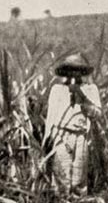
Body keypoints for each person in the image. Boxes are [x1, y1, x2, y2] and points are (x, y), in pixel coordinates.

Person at [44, 53, 102, 194]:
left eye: (77, 70)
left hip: (80, 136)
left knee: (79, 178)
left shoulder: (91, 89)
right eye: (70, 70)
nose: (73, 74)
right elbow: (51, 115)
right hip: (61, 134)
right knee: (61, 175)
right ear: (66, 72)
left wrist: (82, 98)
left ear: (82, 72)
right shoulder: (57, 90)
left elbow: (97, 114)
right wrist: (49, 138)